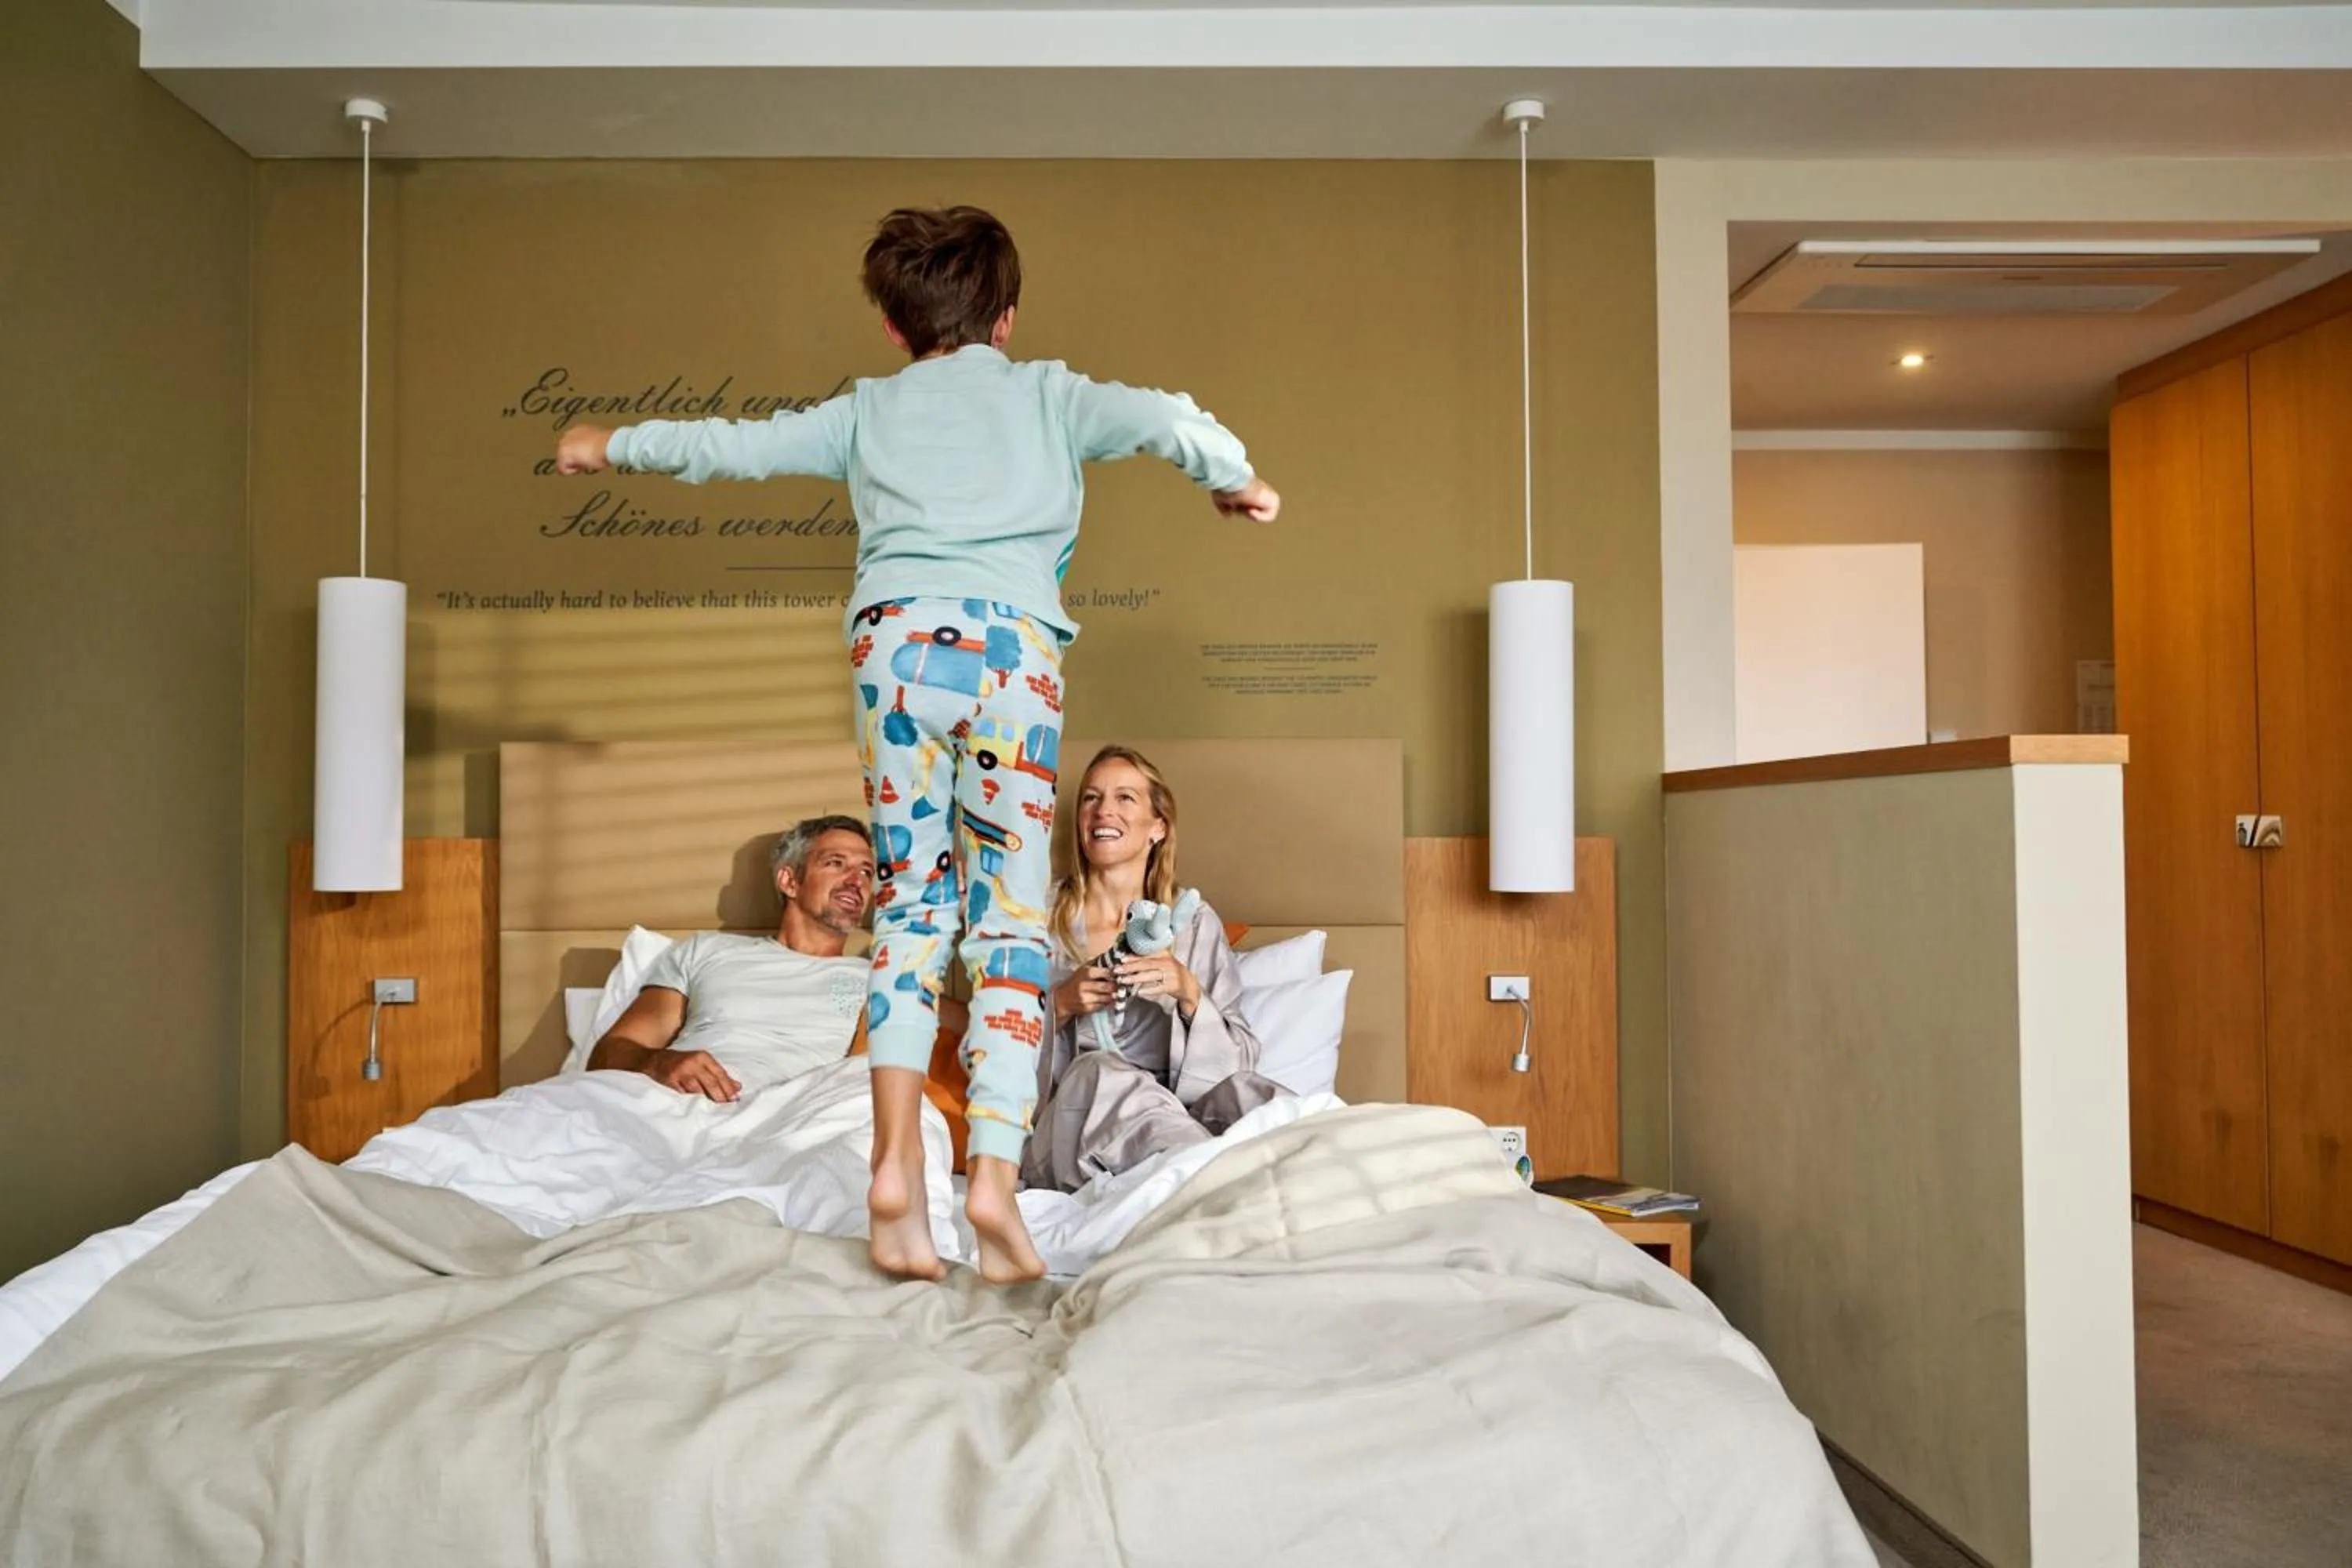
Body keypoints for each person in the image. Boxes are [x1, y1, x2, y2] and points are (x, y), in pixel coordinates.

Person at [553, 206, 1281, 1283]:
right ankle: (990, 1177)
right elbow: (1166, 417)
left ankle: (893, 1171)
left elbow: (732, 446)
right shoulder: (1050, 393)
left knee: (913, 916)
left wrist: (607, 441)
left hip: (894, 652)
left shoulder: (867, 411)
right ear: (1008, 317)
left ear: (896, 331)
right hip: (1008, 663)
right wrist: (1233, 476)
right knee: (1008, 926)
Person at [1027, 746, 1290, 1192]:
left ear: (1159, 827)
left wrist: (1190, 996)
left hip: (1181, 1112)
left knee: (1250, 1093)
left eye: (1125, 798)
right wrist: (1060, 1006)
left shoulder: (1193, 923)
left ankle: (1329, 1171)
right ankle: (1219, 1185)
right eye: (1091, 798)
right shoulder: (1035, 918)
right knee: (1101, 1072)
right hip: (1071, 1125)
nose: (1103, 810)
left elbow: (1239, 1058)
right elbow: (985, 1053)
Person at [588, 816, 876, 1099]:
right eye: (836, 863)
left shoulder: (879, 979)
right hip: (677, 1102)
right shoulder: (706, 951)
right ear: (789, 881)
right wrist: (659, 1063)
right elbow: (611, 1052)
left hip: (803, 1117)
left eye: (866, 872)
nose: (856, 881)